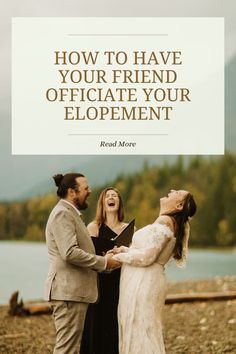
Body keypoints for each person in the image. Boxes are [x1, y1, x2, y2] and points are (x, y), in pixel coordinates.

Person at [113, 189, 197, 354]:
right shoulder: (168, 221)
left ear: (179, 205)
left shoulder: (165, 221)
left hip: (144, 282)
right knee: (142, 328)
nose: (172, 190)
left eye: (177, 192)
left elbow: (148, 257)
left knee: (141, 329)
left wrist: (118, 257)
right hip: (146, 279)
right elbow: (146, 250)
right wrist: (124, 249)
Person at [44, 173, 120, 354]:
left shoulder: (71, 214)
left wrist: (106, 260)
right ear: (72, 192)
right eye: (86, 189)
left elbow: (78, 252)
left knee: (70, 348)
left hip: (72, 293)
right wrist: (104, 262)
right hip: (68, 293)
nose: (90, 191)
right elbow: (69, 253)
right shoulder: (63, 214)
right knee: (67, 349)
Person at [81, 187, 131, 354]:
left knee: (115, 325)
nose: (111, 198)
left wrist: (122, 256)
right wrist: (105, 257)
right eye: (107, 196)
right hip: (99, 283)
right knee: (97, 324)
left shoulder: (129, 229)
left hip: (120, 282)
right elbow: (87, 257)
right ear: (102, 203)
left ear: (119, 203)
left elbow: (134, 256)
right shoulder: (93, 227)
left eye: (115, 196)